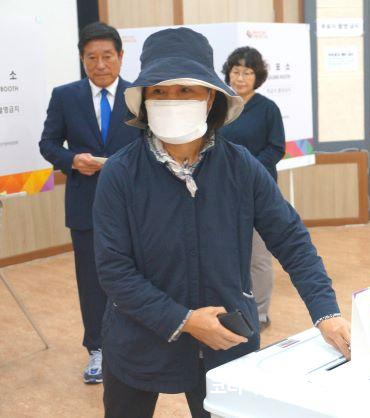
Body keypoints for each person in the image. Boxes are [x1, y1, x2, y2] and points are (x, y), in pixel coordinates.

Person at [93, 28, 350, 418]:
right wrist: (184, 320)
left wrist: (326, 311)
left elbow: (291, 239)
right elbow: (114, 270)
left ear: (210, 96)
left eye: (185, 90)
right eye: (159, 91)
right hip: (138, 339)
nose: (171, 99)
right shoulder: (120, 173)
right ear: (144, 99)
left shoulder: (240, 166)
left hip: (225, 339)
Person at [39, 22, 140, 383]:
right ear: (82, 59)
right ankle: (97, 348)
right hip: (86, 204)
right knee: (92, 279)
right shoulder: (65, 96)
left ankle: (135, 344)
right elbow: (48, 144)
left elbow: (153, 145)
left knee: (138, 274)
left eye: (107, 56)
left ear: (121, 56)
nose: (100, 65)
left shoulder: (139, 95)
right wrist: (72, 160)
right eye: (91, 58)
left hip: (135, 205)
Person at [219, 47, 285, 331]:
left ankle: (259, 313)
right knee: (226, 253)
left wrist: (249, 170)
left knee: (258, 256)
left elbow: (276, 147)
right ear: (228, 74)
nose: (241, 78)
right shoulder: (219, 105)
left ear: (257, 77)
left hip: (258, 191)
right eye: (236, 71)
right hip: (222, 191)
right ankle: (232, 308)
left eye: (247, 72)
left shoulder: (268, 109)